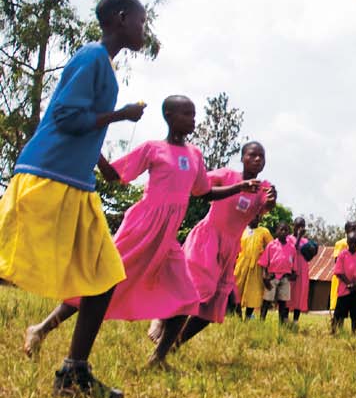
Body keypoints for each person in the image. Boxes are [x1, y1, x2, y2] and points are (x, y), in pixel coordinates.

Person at [22, 96, 258, 359]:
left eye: (194, 114)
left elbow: (204, 192)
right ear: (169, 116)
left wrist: (239, 187)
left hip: (168, 238)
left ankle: (158, 358)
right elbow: (114, 175)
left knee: (187, 296)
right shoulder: (152, 149)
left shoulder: (194, 155)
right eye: (186, 114)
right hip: (141, 228)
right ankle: (41, 329)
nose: (193, 120)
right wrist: (94, 151)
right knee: (102, 283)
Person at [0, 0, 147, 398]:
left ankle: (73, 374)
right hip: (48, 176)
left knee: (104, 276)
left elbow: (78, 119)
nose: (143, 29)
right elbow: (64, 115)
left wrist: (102, 163)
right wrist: (120, 116)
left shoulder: (103, 65)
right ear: (120, 18)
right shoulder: (91, 58)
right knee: (10, 261)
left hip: (75, 183)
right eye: (140, 21)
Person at [150, 142, 276, 365]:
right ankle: (159, 317)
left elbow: (265, 207)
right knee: (191, 289)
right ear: (242, 158)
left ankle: (174, 344)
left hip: (229, 249)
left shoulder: (264, 187)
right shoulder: (228, 175)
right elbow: (202, 191)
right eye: (252, 155)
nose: (257, 159)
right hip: (207, 239)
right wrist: (239, 187)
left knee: (211, 308)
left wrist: (271, 201)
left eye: (261, 156)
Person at [258, 221, 297, 324]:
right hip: (272, 277)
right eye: (281, 230)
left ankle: (281, 323)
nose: (284, 232)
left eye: (286, 230)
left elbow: (294, 265)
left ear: (288, 232)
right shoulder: (272, 245)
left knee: (283, 302)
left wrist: (293, 274)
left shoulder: (292, 247)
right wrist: (265, 278)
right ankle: (261, 321)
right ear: (277, 231)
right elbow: (264, 263)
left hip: (285, 277)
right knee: (267, 300)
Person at [234, 217, 272, 320]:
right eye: (252, 216)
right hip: (241, 264)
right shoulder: (242, 230)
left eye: (257, 217)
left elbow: (271, 248)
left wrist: (266, 267)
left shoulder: (264, 231)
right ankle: (238, 317)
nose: (254, 219)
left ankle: (247, 317)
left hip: (256, 266)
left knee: (253, 292)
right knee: (237, 290)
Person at [332, 230, 356, 335]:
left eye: (354, 242)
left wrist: (355, 284)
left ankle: (353, 332)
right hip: (344, 288)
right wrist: (348, 283)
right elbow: (338, 272)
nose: (352, 244)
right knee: (339, 312)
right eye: (350, 242)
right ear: (347, 242)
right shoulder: (342, 255)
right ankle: (335, 331)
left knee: (354, 313)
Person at [287, 216, 316, 325]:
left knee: (300, 295)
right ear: (293, 226)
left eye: (302, 226)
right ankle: (284, 318)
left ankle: (295, 321)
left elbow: (309, 256)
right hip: (291, 269)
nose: (300, 228)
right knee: (289, 293)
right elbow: (292, 249)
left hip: (303, 270)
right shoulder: (288, 238)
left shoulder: (306, 241)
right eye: (298, 226)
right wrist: (298, 237)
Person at [329, 221, 356, 314]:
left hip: (352, 281)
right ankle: (335, 326)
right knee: (338, 304)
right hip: (341, 279)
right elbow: (337, 261)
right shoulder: (341, 243)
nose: (355, 231)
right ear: (346, 230)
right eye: (352, 229)